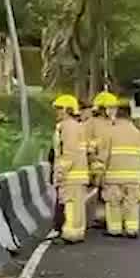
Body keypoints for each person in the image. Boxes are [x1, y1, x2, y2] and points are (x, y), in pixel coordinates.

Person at [99, 97, 140, 238]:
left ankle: (115, 229)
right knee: (131, 202)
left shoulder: (110, 132)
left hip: (114, 174)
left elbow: (103, 155)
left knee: (113, 203)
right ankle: (132, 229)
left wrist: (100, 172)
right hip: (133, 175)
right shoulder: (138, 133)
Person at [53, 94, 89, 243]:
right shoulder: (75, 126)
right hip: (77, 173)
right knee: (76, 205)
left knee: (72, 205)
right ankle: (76, 232)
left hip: (71, 175)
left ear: (67, 110)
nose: (57, 112)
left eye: (59, 109)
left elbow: (68, 153)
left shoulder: (68, 127)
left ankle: (71, 234)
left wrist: (60, 172)